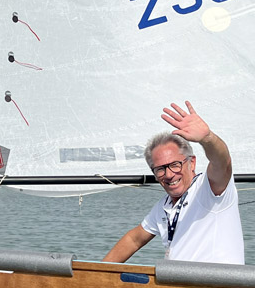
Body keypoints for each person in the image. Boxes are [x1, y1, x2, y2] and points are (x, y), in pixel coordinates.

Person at [103, 101, 244, 264]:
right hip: (179, 285)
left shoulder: (210, 189)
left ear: (192, 163)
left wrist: (208, 138)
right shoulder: (164, 206)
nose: (169, 174)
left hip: (218, 287)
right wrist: (95, 274)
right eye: (160, 169)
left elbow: (222, 162)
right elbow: (134, 240)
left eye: (175, 165)